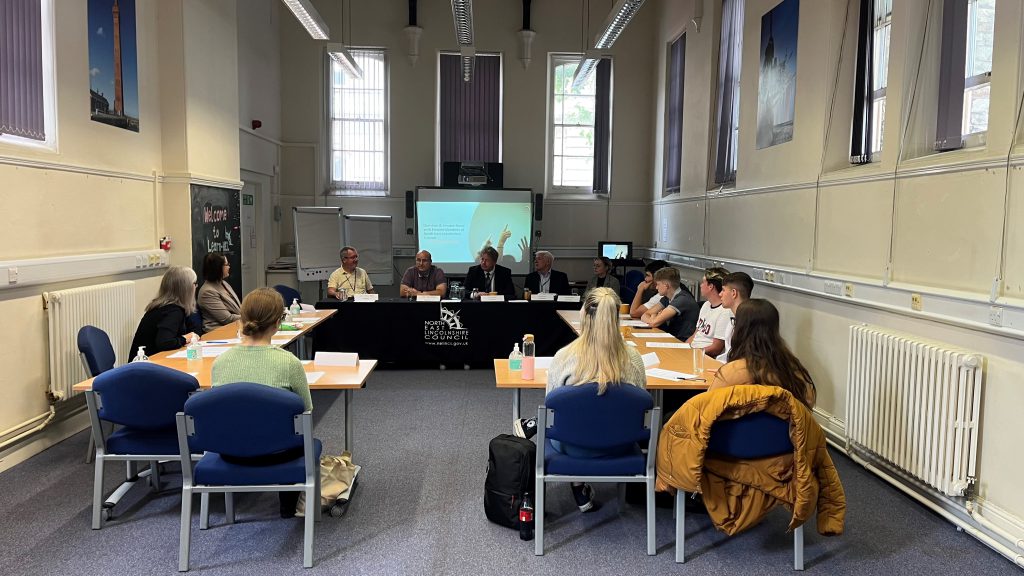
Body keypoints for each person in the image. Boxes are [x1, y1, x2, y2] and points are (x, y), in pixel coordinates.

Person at [513, 288, 647, 512]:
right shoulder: (633, 360)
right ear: (616, 318)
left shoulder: (564, 358)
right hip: (620, 446)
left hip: (572, 448)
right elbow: (639, 410)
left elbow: (551, 410)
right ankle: (580, 486)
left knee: (562, 424)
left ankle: (577, 483)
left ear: (584, 315)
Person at [211, 287, 313, 517]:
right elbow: (306, 413)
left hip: (229, 450)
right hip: (279, 452)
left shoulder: (220, 362)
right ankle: (287, 508)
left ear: (242, 319)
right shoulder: (289, 363)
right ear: (278, 323)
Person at [708, 299, 816, 407]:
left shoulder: (731, 372)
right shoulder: (795, 372)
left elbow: (707, 410)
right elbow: (805, 411)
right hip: (785, 423)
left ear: (740, 329)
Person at [128, 266, 200, 359]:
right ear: (186, 288)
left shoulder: (160, 306)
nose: (196, 287)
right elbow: (165, 343)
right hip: (147, 366)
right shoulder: (173, 312)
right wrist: (185, 338)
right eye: (195, 283)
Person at [640, 267, 700, 340]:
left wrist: (653, 317)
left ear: (666, 285)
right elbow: (644, 315)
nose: (656, 287)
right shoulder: (666, 298)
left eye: (658, 284)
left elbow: (654, 323)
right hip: (673, 338)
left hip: (683, 341)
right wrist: (654, 317)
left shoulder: (682, 299)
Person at [685, 267, 732, 358]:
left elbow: (716, 348)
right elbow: (695, 334)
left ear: (711, 286)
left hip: (704, 357)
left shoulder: (725, 312)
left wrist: (693, 352)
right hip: (694, 352)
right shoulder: (706, 305)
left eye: (703, 282)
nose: (701, 285)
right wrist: (683, 348)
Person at [197, 252, 241, 333]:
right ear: (217, 268)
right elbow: (227, 319)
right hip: (218, 333)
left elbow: (238, 309)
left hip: (233, 329)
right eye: (227, 264)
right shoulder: (207, 292)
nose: (229, 267)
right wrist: (251, 317)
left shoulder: (224, 283)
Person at [716, 272, 754, 362]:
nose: (720, 294)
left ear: (734, 293)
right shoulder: (733, 320)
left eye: (723, 290)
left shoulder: (749, 323)